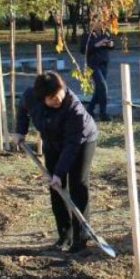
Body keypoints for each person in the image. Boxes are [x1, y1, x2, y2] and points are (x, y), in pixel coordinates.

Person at [11, 71, 99, 253]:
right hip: (51, 141)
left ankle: (81, 238)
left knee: (78, 185)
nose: (57, 99)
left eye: (59, 94)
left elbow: (72, 146)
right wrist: (21, 130)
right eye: (52, 98)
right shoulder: (30, 96)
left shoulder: (74, 111)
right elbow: (23, 110)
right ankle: (64, 236)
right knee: (56, 188)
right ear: (42, 97)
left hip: (81, 142)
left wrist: (59, 173)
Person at [80, 20, 114, 121]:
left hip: (104, 63)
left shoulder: (105, 33)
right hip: (93, 64)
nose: (98, 24)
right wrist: (96, 45)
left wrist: (111, 44)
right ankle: (103, 113)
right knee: (103, 86)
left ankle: (90, 109)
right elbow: (83, 50)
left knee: (99, 89)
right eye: (95, 22)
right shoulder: (87, 35)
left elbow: (112, 44)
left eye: (99, 22)